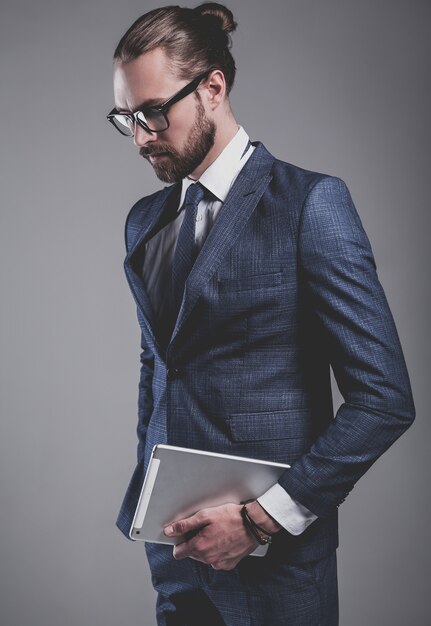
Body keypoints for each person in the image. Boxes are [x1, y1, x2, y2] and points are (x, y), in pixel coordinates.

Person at [107, 3, 415, 625]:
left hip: (275, 566)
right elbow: (160, 364)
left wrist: (260, 520)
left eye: (152, 113)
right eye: (125, 118)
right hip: (174, 556)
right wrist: (151, 486)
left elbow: (384, 399)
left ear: (213, 87)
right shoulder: (145, 221)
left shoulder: (311, 204)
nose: (140, 136)